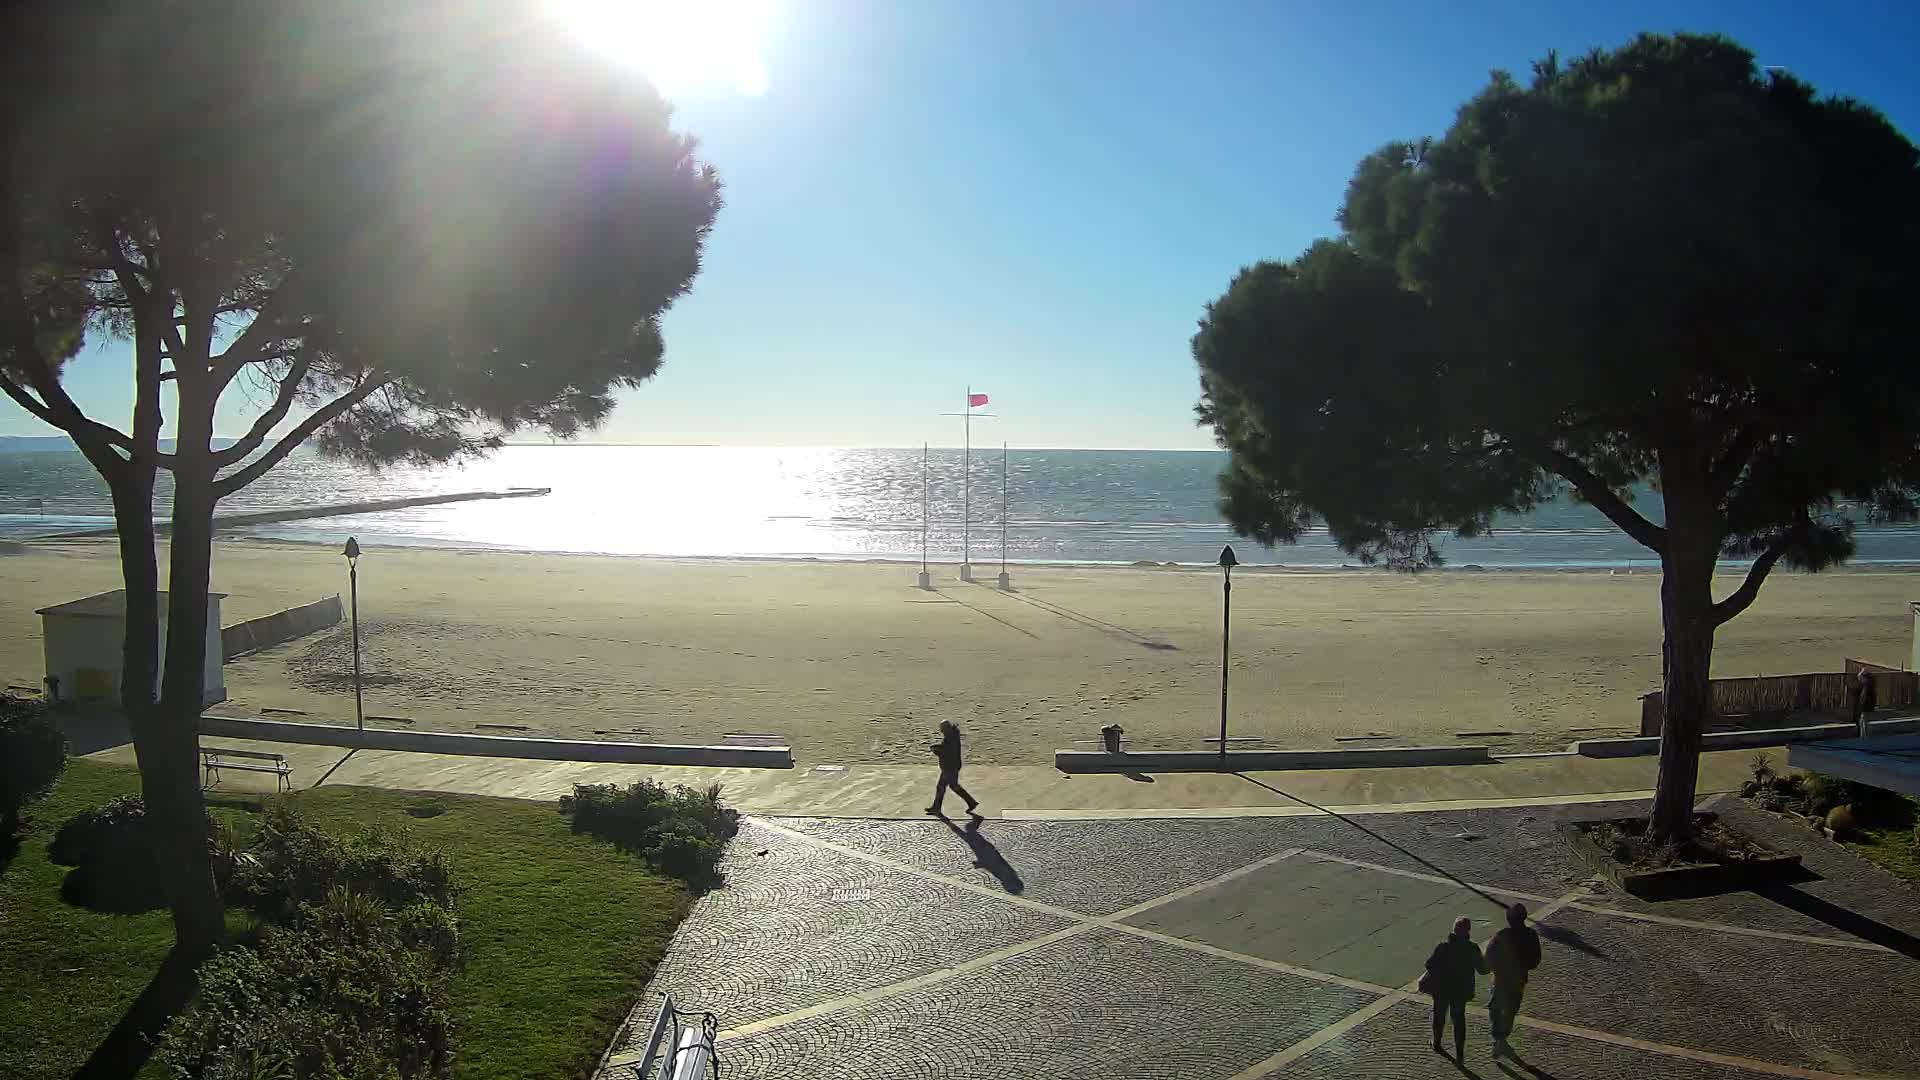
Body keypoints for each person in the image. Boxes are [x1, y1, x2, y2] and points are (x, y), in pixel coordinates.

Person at [1422, 915, 1487, 1060]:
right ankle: (1459, 1052)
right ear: (1468, 931)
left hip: (1441, 989)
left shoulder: (1443, 947)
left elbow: (1429, 965)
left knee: (1439, 1016)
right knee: (1459, 1020)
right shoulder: (1472, 948)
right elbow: (1483, 970)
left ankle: (1437, 1043)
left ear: (1454, 930)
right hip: (1460, 991)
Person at [1485, 902, 1542, 1059]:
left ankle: (1498, 1038)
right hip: (1519, 980)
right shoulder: (1531, 935)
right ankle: (1502, 1039)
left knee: (1495, 1008)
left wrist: (1492, 967)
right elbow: (1536, 960)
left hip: (1501, 979)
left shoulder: (1502, 935)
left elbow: (1489, 956)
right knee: (1511, 1010)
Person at [926, 720, 980, 817]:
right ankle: (936, 807)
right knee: (944, 786)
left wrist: (936, 751)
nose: (941, 731)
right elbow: (946, 748)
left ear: (946, 729)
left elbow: (947, 753)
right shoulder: (952, 736)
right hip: (951, 766)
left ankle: (970, 802)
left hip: (950, 767)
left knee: (950, 786)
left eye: (942, 729)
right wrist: (938, 747)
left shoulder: (950, 738)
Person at [1851, 668, 1878, 736]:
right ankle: (1863, 736)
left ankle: (1864, 737)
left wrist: (1862, 708)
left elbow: (1865, 699)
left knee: (1864, 723)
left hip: (1865, 708)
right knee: (1863, 723)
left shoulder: (1867, 687)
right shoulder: (1868, 686)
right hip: (1866, 708)